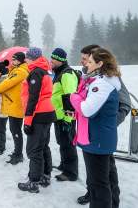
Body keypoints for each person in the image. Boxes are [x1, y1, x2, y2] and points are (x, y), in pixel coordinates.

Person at [77, 45, 131, 205]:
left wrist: (109, 125)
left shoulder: (108, 78)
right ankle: (92, 193)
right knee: (98, 173)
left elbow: (124, 101)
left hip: (104, 129)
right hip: (93, 129)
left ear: (97, 61)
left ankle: (111, 201)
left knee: (106, 173)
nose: (83, 61)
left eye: (86, 59)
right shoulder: (88, 73)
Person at [18, 47, 56, 193]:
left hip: (39, 114)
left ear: (32, 58)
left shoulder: (36, 72)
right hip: (47, 113)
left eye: (27, 57)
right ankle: (45, 175)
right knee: (43, 146)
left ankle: (34, 182)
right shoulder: (43, 70)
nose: (25, 60)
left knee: (34, 150)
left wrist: (27, 121)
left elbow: (33, 98)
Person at [0, 51, 29, 165]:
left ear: (20, 60)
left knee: (16, 131)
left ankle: (19, 154)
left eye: (15, 59)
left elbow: (7, 83)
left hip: (16, 105)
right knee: (15, 130)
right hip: (14, 104)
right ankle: (17, 152)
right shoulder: (16, 69)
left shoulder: (20, 71)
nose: (12, 61)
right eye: (12, 59)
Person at [50, 48, 79, 181]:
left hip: (66, 116)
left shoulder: (67, 74)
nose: (51, 61)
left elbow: (70, 97)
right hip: (59, 115)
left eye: (54, 59)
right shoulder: (59, 72)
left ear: (61, 60)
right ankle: (64, 164)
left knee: (68, 143)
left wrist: (68, 119)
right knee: (62, 141)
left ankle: (71, 172)